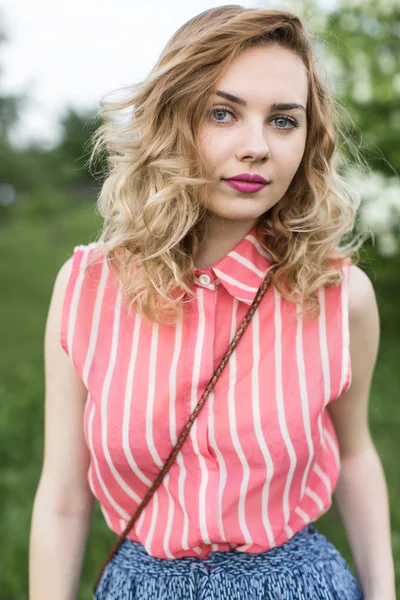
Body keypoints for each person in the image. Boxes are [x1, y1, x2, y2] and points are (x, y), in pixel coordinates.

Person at [29, 5, 396, 600]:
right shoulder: (86, 288)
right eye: (223, 113)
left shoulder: (338, 295)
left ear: (309, 138)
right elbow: (63, 499)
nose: (257, 147)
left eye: (283, 121)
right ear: (173, 121)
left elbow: (355, 455)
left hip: (299, 585)